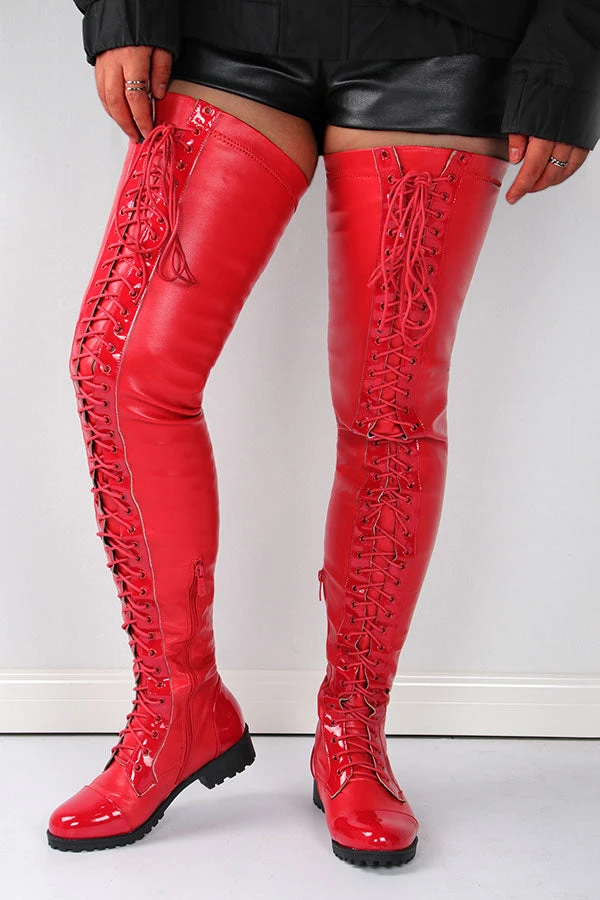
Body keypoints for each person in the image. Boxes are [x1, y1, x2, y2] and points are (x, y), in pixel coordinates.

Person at [47, 0, 599, 867]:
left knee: (392, 410)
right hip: (225, 27)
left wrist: (571, 52)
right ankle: (177, 705)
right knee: (120, 368)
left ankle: (351, 731)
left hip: (448, 41)